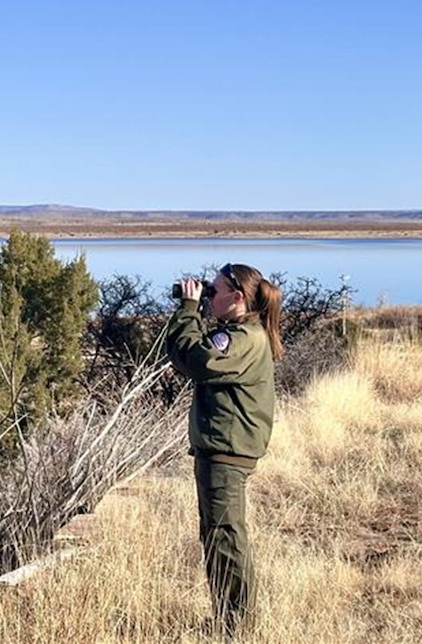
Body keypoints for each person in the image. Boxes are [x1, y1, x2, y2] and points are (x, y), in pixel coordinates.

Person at [166, 263, 282, 638]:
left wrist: (187, 310)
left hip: (227, 455)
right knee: (218, 538)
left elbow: (198, 362)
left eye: (213, 292)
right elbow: (196, 355)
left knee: (226, 540)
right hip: (222, 450)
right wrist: (195, 315)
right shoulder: (237, 334)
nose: (208, 297)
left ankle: (237, 626)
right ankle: (229, 618)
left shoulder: (245, 338)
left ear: (237, 298)